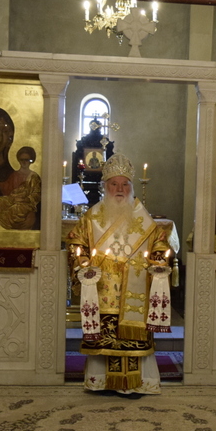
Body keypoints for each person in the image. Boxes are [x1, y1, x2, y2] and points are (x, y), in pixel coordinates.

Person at [66, 153, 172, 397]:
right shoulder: (92, 216)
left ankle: (138, 383)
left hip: (135, 287)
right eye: (114, 184)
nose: (120, 189)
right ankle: (101, 382)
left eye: (125, 184)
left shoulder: (142, 216)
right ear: (105, 186)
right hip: (102, 287)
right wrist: (82, 262)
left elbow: (159, 242)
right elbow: (75, 242)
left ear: (131, 187)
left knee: (132, 335)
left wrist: (158, 258)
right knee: (105, 334)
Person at [0, 145, 41, 230]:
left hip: (26, 203)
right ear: (18, 160)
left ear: (31, 161)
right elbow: (7, 187)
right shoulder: (15, 174)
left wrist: (26, 199)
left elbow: (37, 193)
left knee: (14, 209)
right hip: (13, 199)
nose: (24, 162)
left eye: (27, 160)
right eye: (22, 159)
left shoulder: (34, 177)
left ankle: (0, 224)